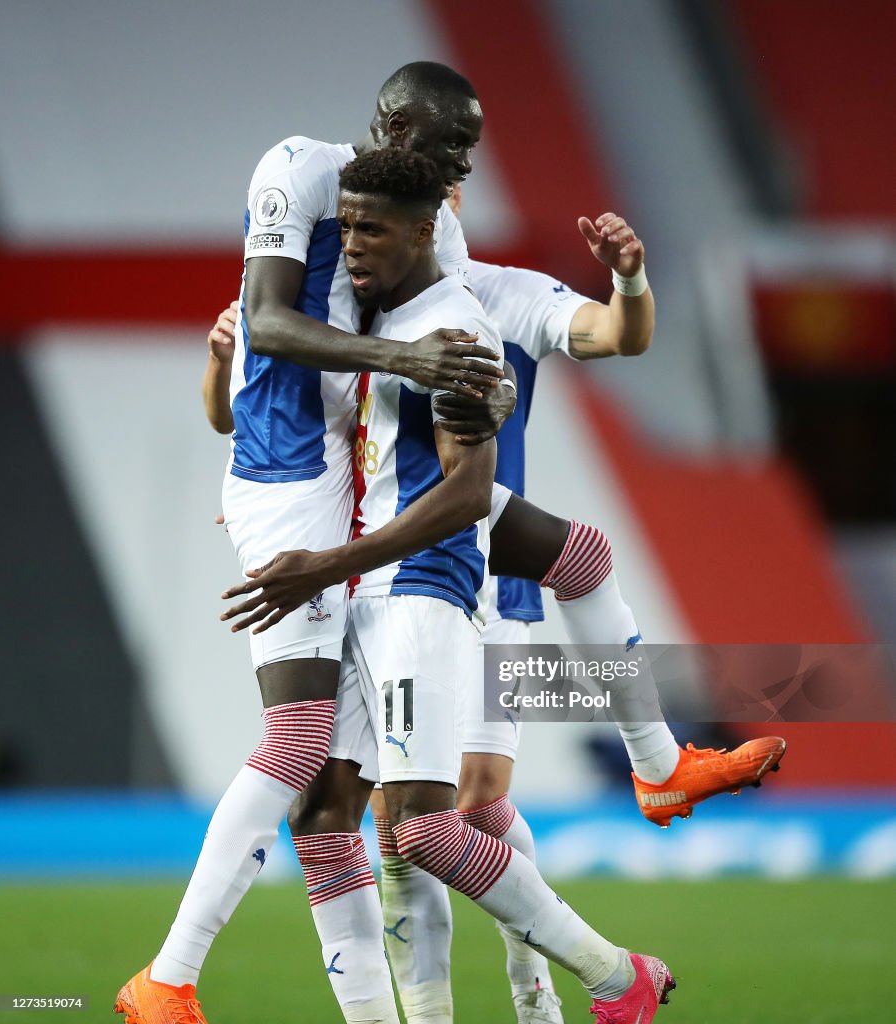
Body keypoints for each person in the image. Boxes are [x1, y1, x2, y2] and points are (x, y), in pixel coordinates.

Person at [114, 61, 506, 1024]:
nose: (462, 159)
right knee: (296, 743)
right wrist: (400, 357)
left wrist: (482, 388)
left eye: (471, 145)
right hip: (286, 480)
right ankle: (167, 976)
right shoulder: (296, 168)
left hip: (352, 488)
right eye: (447, 137)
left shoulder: (438, 226)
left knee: (332, 796)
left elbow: (449, 346)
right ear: (389, 122)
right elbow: (269, 320)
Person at [279, 145, 675, 1024]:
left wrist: (631, 284)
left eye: (368, 227)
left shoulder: (469, 317)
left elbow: (467, 488)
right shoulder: (359, 305)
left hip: (429, 581)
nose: (350, 242)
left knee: (450, 810)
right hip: (364, 587)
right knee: (340, 815)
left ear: (438, 210)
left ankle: (599, 974)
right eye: (344, 224)